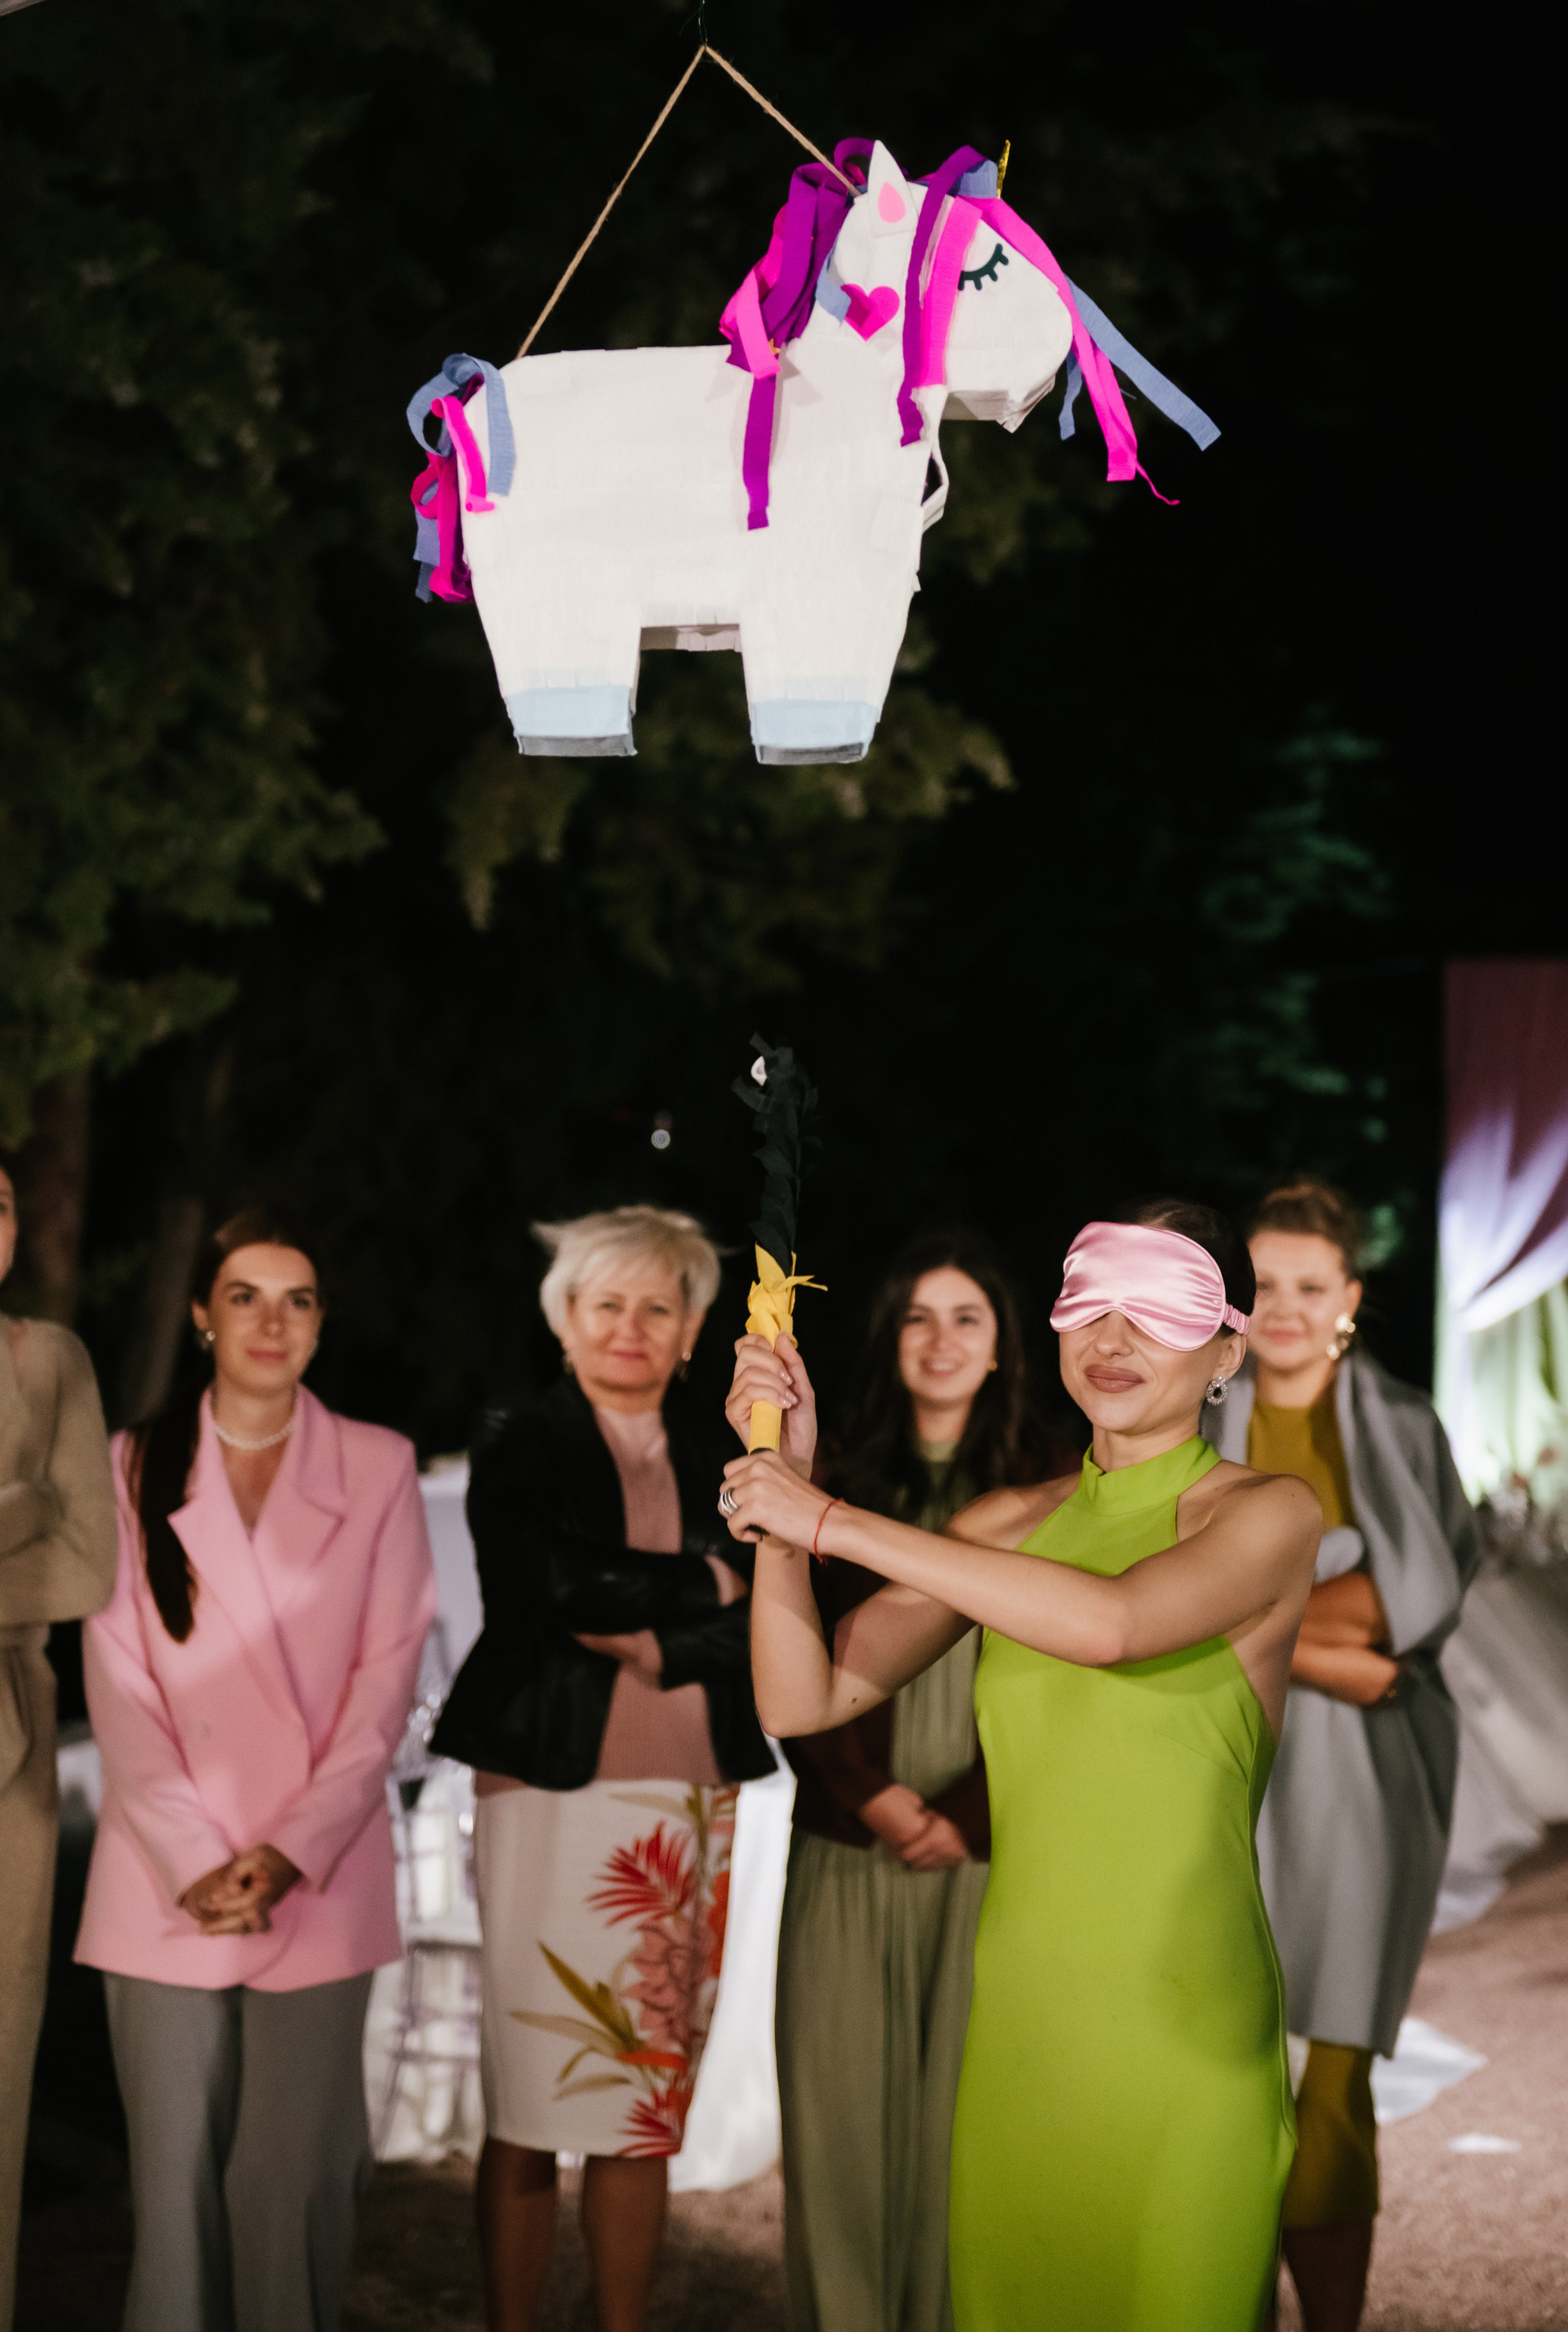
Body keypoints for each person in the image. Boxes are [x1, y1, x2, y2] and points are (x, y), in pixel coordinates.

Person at [722, 1201, 1321, 2332]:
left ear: (1226, 1353)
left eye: (1163, 1308)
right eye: (1091, 1299)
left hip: (1188, 2036)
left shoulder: (1268, 1514)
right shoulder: (1004, 1523)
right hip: (1019, 2036)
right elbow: (804, 1696)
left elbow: (1113, 1624)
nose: (1115, 1335)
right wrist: (779, 1496)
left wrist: (828, 1517)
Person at [75, 1209, 436, 2332]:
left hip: (320, 1870)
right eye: (245, 1296)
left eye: (298, 1300)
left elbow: (388, 1677)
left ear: (322, 1324)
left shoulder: (378, 1465)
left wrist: (289, 1851)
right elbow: (118, 1677)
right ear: (202, 1315)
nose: (272, 1322)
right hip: (162, 1876)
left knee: (290, 2192)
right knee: (174, 2199)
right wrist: (195, 1854)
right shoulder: (129, 1464)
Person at [431, 1205, 774, 2332]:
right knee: (531, 2098)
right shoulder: (519, 1434)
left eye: (657, 1308)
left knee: (643, 2103)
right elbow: (551, 1586)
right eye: (607, 1304)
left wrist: (657, 1636)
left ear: (693, 1331)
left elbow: (771, 1613)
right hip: (547, 1787)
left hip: (690, 1800)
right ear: (565, 1319)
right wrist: (706, 1583)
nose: (630, 1327)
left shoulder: (734, 1451)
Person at [776, 1230, 1067, 2332]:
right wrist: (871, 1794)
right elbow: (784, 1644)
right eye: (918, 1317)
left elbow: (1078, 1671)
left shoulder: (1055, 1491)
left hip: (993, 1852)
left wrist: (967, 1812)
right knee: (839, 2127)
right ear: (889, 1338)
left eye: (966, 1318)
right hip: (850, 1841)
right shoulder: (833, 1482)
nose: (941, 1340)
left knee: (974, 2134)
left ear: (1002, 1346)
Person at [1205, 1180, 1477, 2332]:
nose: (1285, 1308)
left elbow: (1403, 1607)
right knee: (1225, 2065)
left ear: (1350, 1298)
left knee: (1332, 2078)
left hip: (1369, 1775)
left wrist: (1261, 1623)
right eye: (1263, 1283)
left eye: (1310, 1286)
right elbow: (1146, 1600)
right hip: (1222, 1768)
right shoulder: (1187, 1412)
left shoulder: (1404, 1427)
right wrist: (1332, 1657)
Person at [0, 1162, 117, 2332]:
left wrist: (43, 1511)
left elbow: (86, 1566)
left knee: (0, 2068)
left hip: (10, 1742)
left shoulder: (48, 1361)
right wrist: (14, 1509)